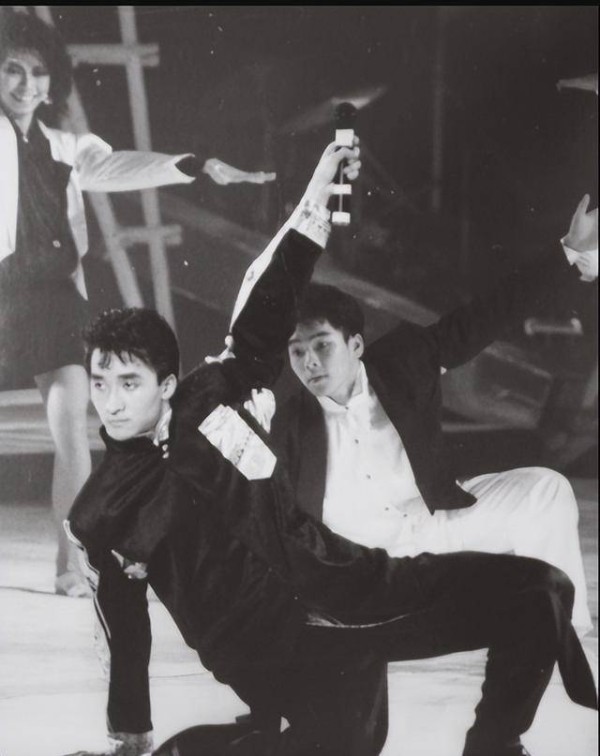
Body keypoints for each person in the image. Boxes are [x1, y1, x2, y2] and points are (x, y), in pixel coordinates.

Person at [65, 142, 595, 756]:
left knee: (540, 590)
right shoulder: (99, 510)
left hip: (348, 580)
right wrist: (128, 732)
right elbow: (123, 626)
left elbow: (266, 301)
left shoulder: (211, 395)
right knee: (347, 743)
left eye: (128, 383)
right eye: (99, 383)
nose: (110, 402)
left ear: (165, 384)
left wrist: (317, 194)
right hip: (271, 646)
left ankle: (493, 748)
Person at [0, 10, 275, 597]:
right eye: (12, 69)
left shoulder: (64, 146)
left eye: (37, 73)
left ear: (52, 83)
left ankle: (70, 566)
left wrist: (195, 166)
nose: (25, 84)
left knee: (73, 426)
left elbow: (116, 165)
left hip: (53, 299)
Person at [273, 195, 598, 639]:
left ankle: (561, 635)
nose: (309, 361)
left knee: (546, 490)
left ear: (356, 345)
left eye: (322, 345)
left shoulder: (403, 362)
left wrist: (567, 251)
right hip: (365, 571)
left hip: (434, 531)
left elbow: (486, 316)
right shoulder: (286, 419)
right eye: (297, 351)